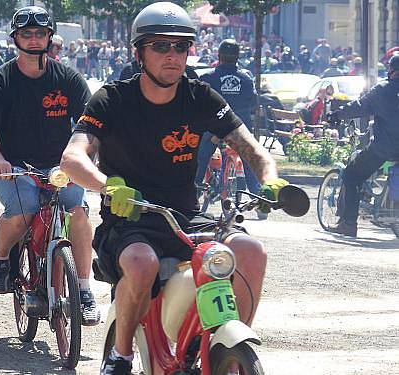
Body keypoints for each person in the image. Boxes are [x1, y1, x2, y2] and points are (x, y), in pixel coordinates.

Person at [60, 3, 287, 373]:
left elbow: (252, 149)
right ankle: (120, 355)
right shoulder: (112, 99)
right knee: (141, 262)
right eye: (160, 46)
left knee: (250, 250)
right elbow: (72, 158)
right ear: (139, 53)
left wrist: (270, 176)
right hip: (131, 219)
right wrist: (108, 186)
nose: (172, 55)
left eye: (181, 47)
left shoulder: (200, 97)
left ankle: (227, 349)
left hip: (186, 217)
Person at [0, 6, 100, 325]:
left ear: (49, 37)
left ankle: (83, 290)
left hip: (61, 168)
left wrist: (86, 158)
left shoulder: (68, 78)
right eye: (26, 34)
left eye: (39, 34)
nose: (33, 40)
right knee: (24, 210)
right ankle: (1, 258)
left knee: (79, 214)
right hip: (15, 168)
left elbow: (89, 125)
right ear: (15, 38)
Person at [326, 54, 399, 237]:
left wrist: (336, 115)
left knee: (351, 175)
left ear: (392, 70)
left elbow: (359, 106)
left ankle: (348, 225)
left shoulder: (384, 89)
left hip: (385, 149)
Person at [195, 39, 264, 217]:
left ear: (219, 56)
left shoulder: (207, 77)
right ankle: (260, 201)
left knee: (200, 159)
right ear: (237, 57)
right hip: (240, 130)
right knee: (250, 162)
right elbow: (253, 102)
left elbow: (198, 105)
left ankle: (192, 194)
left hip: (214, 129)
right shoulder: (246, 78)